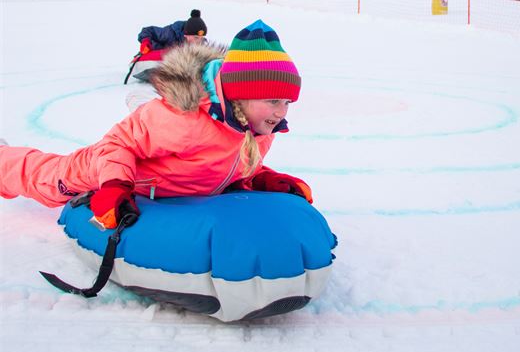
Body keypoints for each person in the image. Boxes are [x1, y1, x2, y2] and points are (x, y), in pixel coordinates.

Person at [0, 20, 312, 230]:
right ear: (241, 96)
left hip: (167, 186)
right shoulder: (184, 117)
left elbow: (223, 164)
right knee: (50, 179)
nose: (281, 112)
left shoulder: (257, 129)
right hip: (115, 170)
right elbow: (117, 144)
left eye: (287, 103)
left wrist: (261, 179)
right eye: (273, 101)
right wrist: (115, 186)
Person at [137, 8, 208, 53]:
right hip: (155, 56)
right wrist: (146, 41)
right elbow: (148, 30)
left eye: (201, 38)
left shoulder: (202, 45)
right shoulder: (170, 33)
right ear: (186, 35)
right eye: (196, 37)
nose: (199, 41)